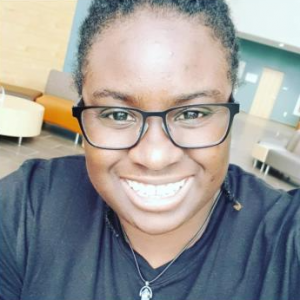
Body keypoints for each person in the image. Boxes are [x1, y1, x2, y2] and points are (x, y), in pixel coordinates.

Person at [0, 0, 299, 299]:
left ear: (232, 108)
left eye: (192, 114)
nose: (155, 157)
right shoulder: (25, 209)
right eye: (118, 115)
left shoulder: (286, 242)